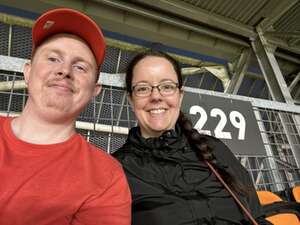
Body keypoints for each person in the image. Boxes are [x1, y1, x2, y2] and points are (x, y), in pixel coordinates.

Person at [0, 8, 131, 225]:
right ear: (28, 72)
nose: (65, 71)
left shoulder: (105, 177)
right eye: (53, 59)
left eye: (80, 67)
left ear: (94, 90)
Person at [113, 50, 272, 225]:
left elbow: (257, 216)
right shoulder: (116, 170)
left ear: (180, 95)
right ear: (130, 99)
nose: (156, 96)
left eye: (167, 86)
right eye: (143, 88)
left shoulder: (214, 148)